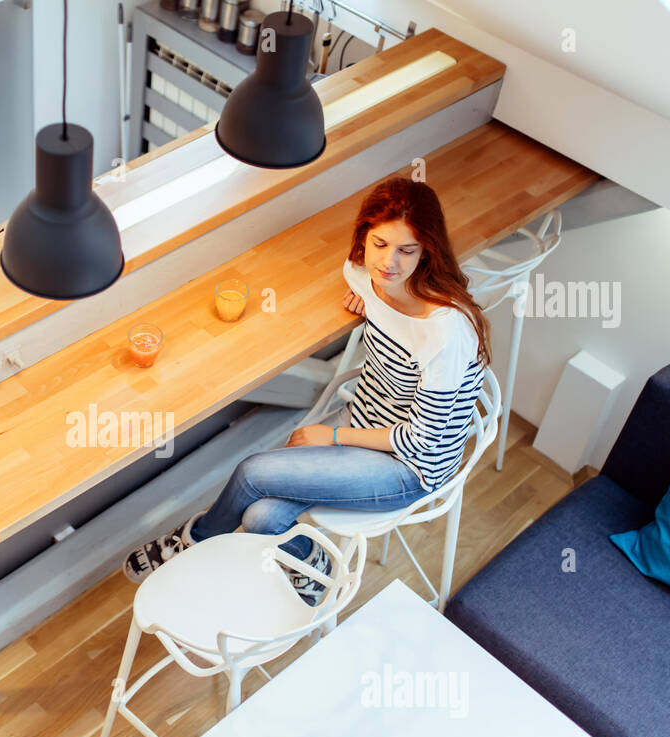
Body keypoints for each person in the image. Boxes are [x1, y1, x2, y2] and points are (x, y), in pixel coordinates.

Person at [122, 176, 492, 604]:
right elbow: (359, 273)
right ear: (363, 238)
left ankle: (191, 541)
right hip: (367, 422)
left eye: (407, 250)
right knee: (261, 517)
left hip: (410, 466)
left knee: (252, 471)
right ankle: (316, 565)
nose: (389, 262)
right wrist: (368, 298)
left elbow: (421, 441)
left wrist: (332, 435)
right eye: (380, 244)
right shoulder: (364, 276)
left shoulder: (445, 332)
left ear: (428, 249)